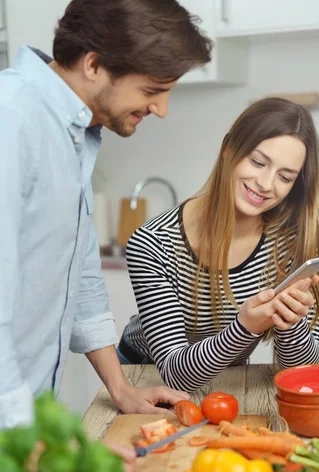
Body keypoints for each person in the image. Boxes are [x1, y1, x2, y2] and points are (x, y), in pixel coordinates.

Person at [0, 0, 213, 430]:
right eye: (152, 91)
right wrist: (28, 439)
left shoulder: (73, 130)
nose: (161, 109)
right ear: (94, 65)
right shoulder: (12, 119)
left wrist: (120, 387)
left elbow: (78, 264)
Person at [118, 97, 319, 392]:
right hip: (143, 374)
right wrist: (244, 327)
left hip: (227, 375)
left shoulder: (290, 242)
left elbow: (302, 374)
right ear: (228, 149)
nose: (266, 184)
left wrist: (291, 321)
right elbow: (176, 374)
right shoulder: (153, 243)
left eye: (285, 177)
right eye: (258, 162)